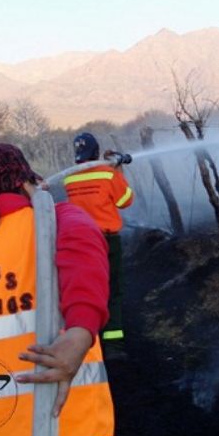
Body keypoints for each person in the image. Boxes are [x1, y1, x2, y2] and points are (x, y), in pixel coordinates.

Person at [0, 144, 114, 436]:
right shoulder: (56, 221)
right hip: (61, 425)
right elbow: (84, 257)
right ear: (26, 184)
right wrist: (81, 332)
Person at [63, 132, 134, 355]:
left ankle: (90, 343)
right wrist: (118, 169)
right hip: (107, 241)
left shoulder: (70, 178)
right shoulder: (107, 174)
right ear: (96, 151)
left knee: (89, 290)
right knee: (113, 291)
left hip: (82, 241)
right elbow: (125, 201)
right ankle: (113, 346)